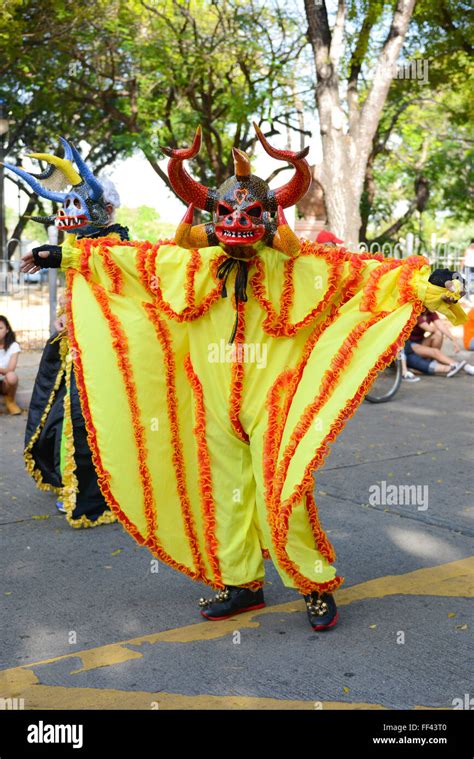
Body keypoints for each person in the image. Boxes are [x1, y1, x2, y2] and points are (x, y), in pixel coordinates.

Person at [20, 124, 467, 632]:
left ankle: (314, 584)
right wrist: (59, 254)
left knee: (284, 490)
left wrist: (429, 282)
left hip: (273, 400)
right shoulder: (191, 265)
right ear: (211, 218)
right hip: (212, 403)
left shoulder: (298, 268)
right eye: (226, 212)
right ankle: (242, 583)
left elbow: (366, 273)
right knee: (223, 491)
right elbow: (131, 259)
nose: (236, 222)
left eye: (250, 214)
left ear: (269, 219)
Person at [8, 139, 128, 527]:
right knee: (60, 417)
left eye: (82, 204)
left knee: (90, 423)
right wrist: (63, 315)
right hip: (74, 348)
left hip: (109, 354)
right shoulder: (81, 241)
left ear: (107, 209)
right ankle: (73, 485)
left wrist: (54, 254)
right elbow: (78, 279)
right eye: (68, 205)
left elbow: (102, 264)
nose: (72, 214)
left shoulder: (119, 243)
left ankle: (100, 494)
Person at [406, 308, 473, 377]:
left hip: (421, 342)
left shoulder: (431, 313)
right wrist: (438, 329)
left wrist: (453, 340)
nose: (436, 307)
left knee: (438, 334)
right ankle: (461, 366)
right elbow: (429, 329)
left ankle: (434, 359)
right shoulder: (416, 313)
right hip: (410, 344)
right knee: (435, 350)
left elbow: (442, 327)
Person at [0, 315, 22, 415]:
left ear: (7, 329)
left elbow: (10, 369)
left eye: (0, 328)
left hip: (5, 382)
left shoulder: (14, 346)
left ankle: (10, 401)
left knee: (12, 376)